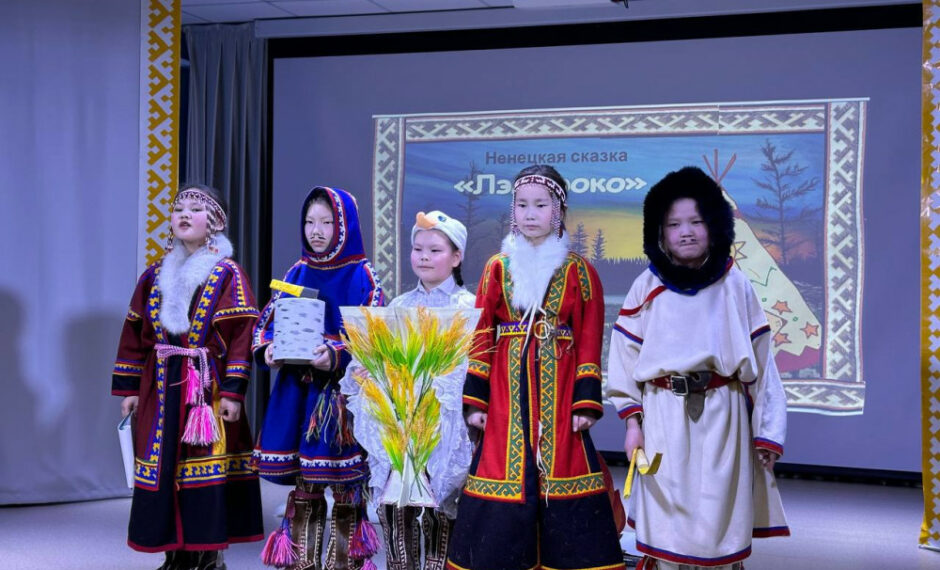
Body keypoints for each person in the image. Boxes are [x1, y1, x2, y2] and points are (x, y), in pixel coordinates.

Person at [605, 166, 790, 570]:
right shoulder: (646, 286)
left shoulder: (734, 284)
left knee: (717, 520)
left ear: (715, 225)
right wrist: (633, 424)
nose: (685, 232)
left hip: (723, 418)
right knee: (667, 520)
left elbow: (762, 364)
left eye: (696, 221)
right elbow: (623, 358)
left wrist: (767, 432)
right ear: (659, 231)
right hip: (662, 415)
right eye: (674, 224)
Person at [445, 165, 625, 570]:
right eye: (522, 205)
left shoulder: (578, 270)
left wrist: (585, 402)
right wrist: (476, 399)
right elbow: (481, 334)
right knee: (502, 468)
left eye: (540, 205)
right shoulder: (498, 267)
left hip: (559, 391)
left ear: (558, 210)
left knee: (562, 467)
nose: (530, 214)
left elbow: (590, 336)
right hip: (506, 396)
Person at [112, 183, 263, 570]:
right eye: (179, 208)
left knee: (202, 466)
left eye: (195, 209)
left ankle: (206, 556)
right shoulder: (154, 275)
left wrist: (234, 391)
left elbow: (242, 334)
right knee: (163, 468)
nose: (183, 215)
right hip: (160, 385)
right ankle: (173, 555)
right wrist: (130, 388)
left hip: (204, 389)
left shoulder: (227, 273)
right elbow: (134, 331)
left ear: (216, 222)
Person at [254, 186, 384, 570]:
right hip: (298, 392)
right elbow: (267, 322)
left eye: (327, 222)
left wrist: (336, 354)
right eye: (310, 222)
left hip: (338, 398)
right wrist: (269, 348)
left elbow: (374, 334)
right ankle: (301, 561)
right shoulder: (296, 272)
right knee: (306, 483)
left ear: (344, 226)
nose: (316, 231)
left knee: (345, 484)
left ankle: (344, 562)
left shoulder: (362, 275)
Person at [342, 210, 475, 570]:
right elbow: (378, 359)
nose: (424, 257)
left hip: (444, 428)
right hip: (399, 428)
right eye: (418, 249)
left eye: (435, 250)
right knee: (395, 507)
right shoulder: (399, 306)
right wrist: (366, 373)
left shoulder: (468, 307)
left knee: (438, 507)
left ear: (456, 257)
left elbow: (473, 369)